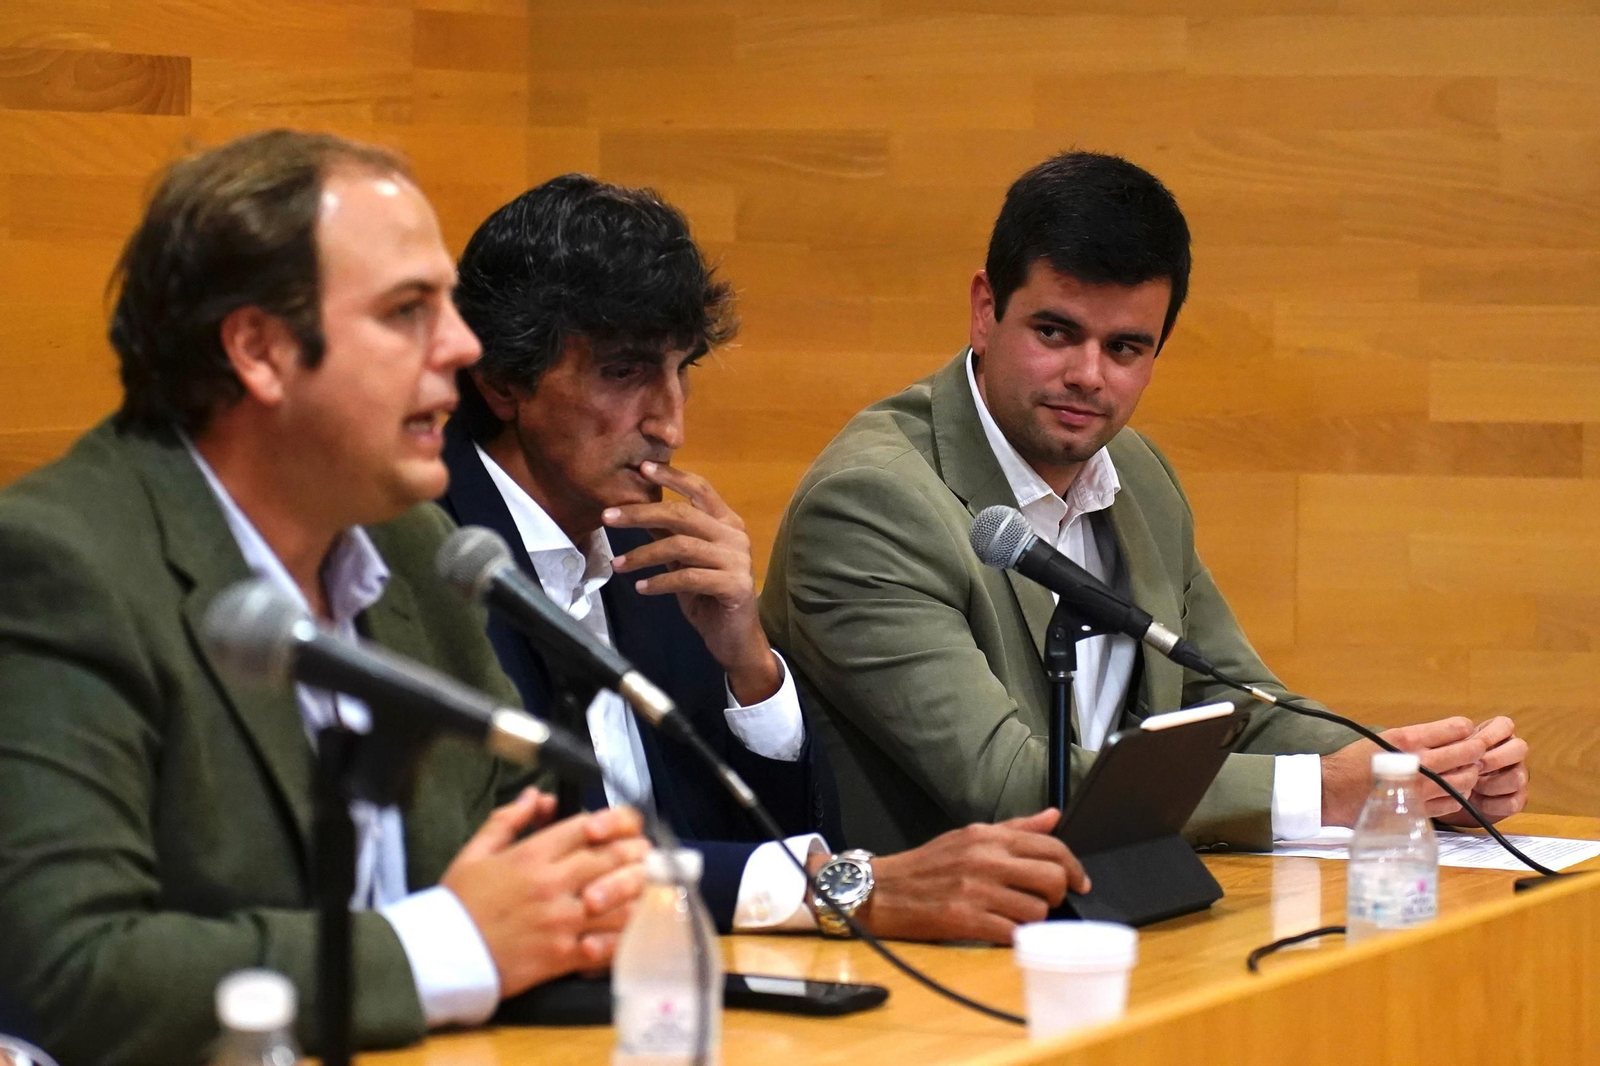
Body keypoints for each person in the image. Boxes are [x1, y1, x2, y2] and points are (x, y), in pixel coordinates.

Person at [0, 130, 650, 1066]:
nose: (463, 349)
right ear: (259, 350)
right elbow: (69, 972)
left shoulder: (417, 548)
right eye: (407, 311)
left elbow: (546, 859)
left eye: (451, 309)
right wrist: (451, 947)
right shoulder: (62, 565)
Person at [760, 151, 1532, 855]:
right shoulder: (870, 506)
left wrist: (1410, 777)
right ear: (984, 309)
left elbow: (1232, 702)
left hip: (1114, 905)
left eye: (1126, 347)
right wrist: (1334, 790)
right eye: (1056, 332)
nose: (1089, 375)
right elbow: (1010, 788)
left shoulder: (1134, 473)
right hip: (920, 950)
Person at [443, 174, 1091, 946]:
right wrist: (848, 889)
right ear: (503, 377)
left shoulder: (650, 555)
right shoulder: (431, 559)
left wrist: (748, 663)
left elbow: (768, 831)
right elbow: (540, 872)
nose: (670, 424)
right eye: (623, 373)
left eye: (680, 370)